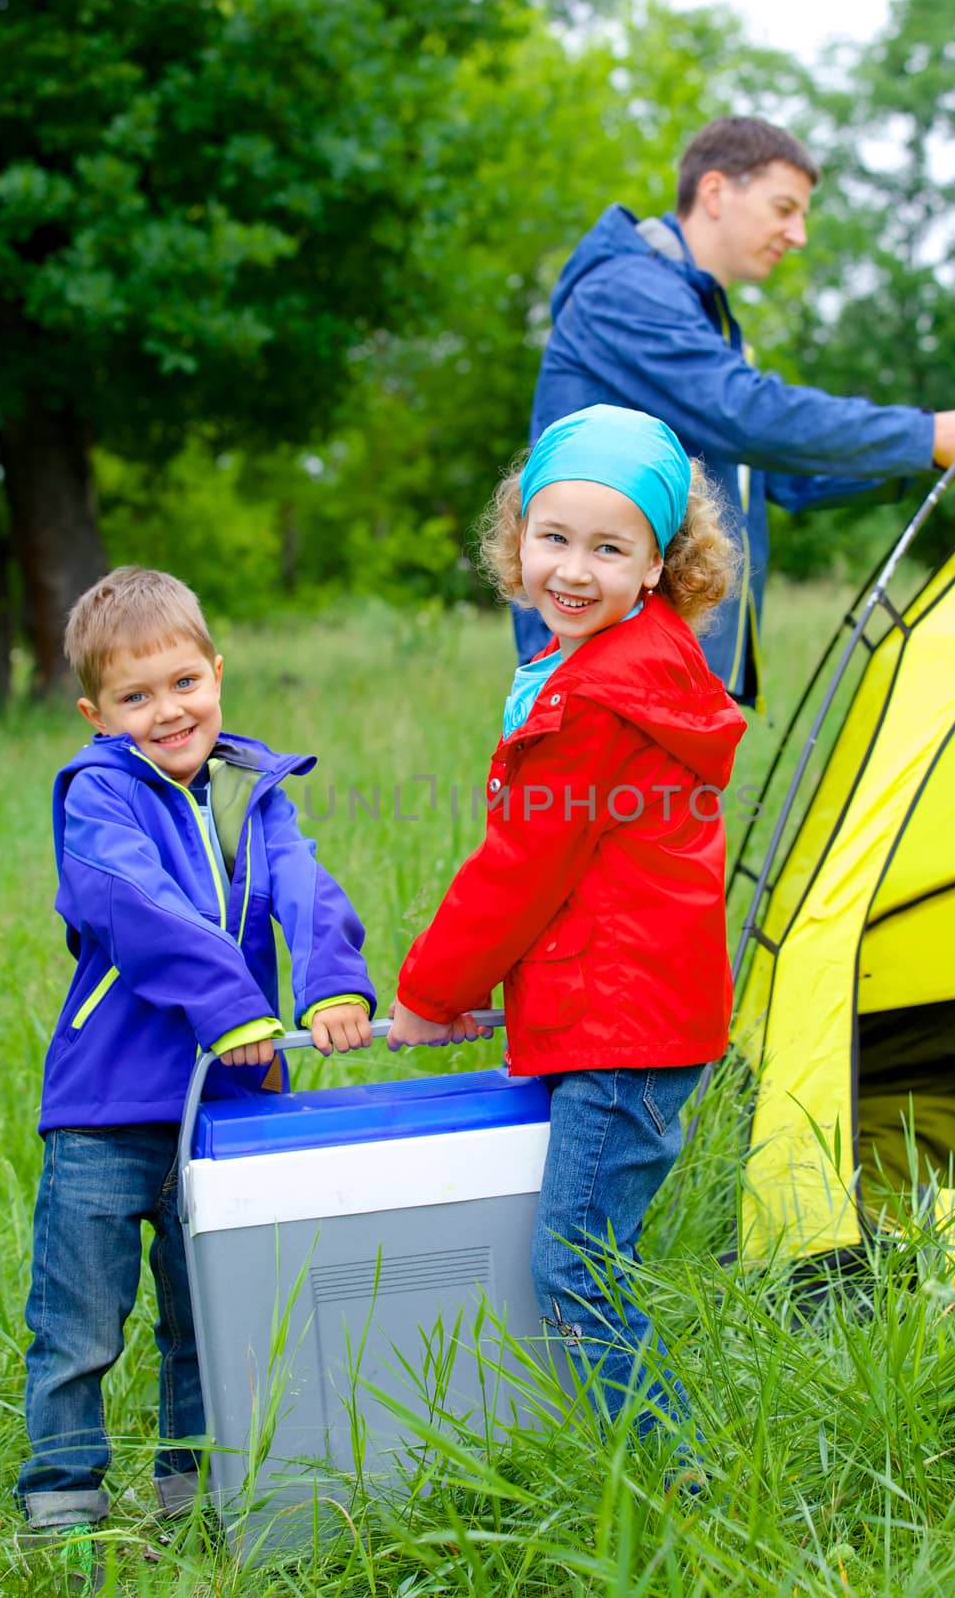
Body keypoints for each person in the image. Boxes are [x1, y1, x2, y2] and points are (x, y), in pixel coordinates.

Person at [387, 405, 746, 1448]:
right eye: (554, 538)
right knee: (583, 1250)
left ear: (658, 567)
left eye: (609, 547)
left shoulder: (592, 695)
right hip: (630, 1007)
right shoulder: (635, 658)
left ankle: (668, 1481)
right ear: (517, 540)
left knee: (572, 1271)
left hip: (622, 1026)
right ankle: (623, 1450)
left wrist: (430, 992)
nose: (574, 569)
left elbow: (521, 869)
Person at [15, 566, 375, 1585]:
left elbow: (304, 888)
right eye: (135, 697)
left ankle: (196, 1491)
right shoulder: (99, 799)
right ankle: (62, 1499)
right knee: (78, 1325)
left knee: (207, 1314)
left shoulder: (251, 790)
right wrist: (232, 1010)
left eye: (184, 682)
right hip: (106, 1109)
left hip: (225, 1111)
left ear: (217, 672)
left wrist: (330, 987)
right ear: (96, 711)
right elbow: (136, 909)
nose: (167, 710)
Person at [521, 115, 955, 703]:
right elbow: (748, 414)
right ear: (714, 192)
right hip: (600, 667)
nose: (799, 234)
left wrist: (930, 455)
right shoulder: (625, 293)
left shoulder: (697, 317)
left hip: (658, 661)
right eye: (784, 208)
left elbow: (780, 472)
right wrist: (920, 434)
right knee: (593, 801)